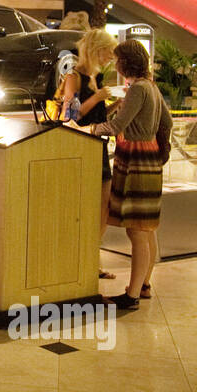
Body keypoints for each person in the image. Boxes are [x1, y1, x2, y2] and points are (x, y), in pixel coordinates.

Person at [73, 40, 170, 309]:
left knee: (136, 231)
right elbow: (167, 121)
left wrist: (88, 130)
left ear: (126, 62)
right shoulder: (151, 86)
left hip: (135, 158)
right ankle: (144, 284)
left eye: (117, 60)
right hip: (149, 156)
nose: (114, 65)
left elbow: (116, 126)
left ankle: (132, 295)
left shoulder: (138, 88)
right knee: (146, 229)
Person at [58, 29, 118, 279]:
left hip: (99, 146)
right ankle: (85, 260)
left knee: (104, 208)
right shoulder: (75, 77)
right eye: (107, 52)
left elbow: (96, 115)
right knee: (87, 208)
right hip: (83, 146)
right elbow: (70, 115)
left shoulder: (96, 78)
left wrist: (114, 106)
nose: (109, 58)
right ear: (96, 49)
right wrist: (98, 98)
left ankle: (92, 258)